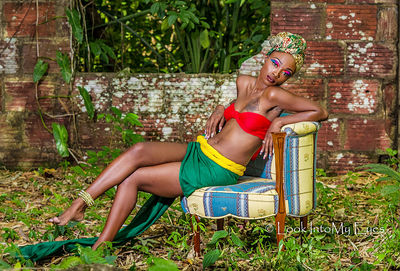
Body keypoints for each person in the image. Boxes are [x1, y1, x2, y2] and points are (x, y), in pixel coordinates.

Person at [21, 32, 328, 260]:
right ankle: (79, 205)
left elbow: (319, 111)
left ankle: (101, 247)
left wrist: (278, 124)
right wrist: (222, 108)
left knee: (135, 177)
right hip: (201, 150)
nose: (276, 73)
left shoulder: (275, 96)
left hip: (218, 168)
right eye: (275, 63)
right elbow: (237, 111)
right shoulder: (244, 82)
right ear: (266, 57)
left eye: (285, 72)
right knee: (139, 150)